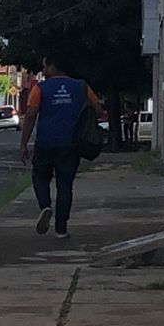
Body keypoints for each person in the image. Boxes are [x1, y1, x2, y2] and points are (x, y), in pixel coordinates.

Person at [19, 56, 104, 238]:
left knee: (40, 177)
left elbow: (31, 115)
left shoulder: (39, 88)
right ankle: (61, 228)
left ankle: (45, 206)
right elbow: (97, 108)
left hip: (45, 142)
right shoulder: (81, 86)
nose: (43, 71)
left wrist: (24, 143)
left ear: (53, 67)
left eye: (45, 67)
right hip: (71, 144)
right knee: (65, 186)